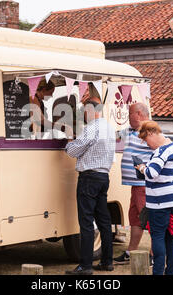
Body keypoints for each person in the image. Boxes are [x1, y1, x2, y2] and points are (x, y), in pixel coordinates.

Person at [64, 97, 116, 275]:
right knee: (104, 220)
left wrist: (70, 137)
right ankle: (107, 261)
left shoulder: (91, 128)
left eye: (84, 110)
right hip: (103, 176)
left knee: (86, 221)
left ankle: (85, 266)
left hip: (89, 177)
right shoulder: (109, 127)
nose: (83, 114)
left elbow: (72, 151)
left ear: (91, 110)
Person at [135, 120, 173, 275]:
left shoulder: (161, 151)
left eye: (146, 140)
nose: (147, 144)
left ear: (151, 133)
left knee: (157, 236)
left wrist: (142, 167)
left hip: (159, 201)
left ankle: (157, 272)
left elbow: (152, 173)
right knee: (170, 236)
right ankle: (170, 271)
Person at [113, 103, 154, 266]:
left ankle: (154, 255)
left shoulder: (150, 131)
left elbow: (160, 153)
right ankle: (131, 252)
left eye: (129, 114)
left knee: (149, 219)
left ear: (138, 114)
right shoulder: (130, 131)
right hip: (135, 185)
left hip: (144, 184)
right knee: (136, 220)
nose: (127, 117)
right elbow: (113, 137)